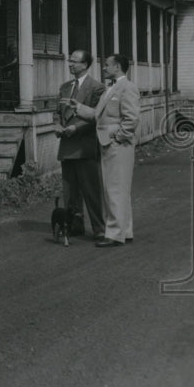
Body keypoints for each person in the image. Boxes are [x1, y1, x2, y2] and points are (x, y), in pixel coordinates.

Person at [65, 53, 140, 247]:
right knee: (118, 189)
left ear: (117, 67)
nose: (104, 68)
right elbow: (97, 115)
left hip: (117, 145)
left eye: (107, 65)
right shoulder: (111, 88)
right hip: (108, 144)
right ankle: (125, 230)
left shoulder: (127, 88)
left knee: (115, 189)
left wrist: (118, 137)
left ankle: (114, 234)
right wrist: (79, 107)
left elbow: (131, 119)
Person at [54, 49, 106, 239]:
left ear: (85, 64)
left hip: (85, 145)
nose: (70, 64)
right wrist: (57, 125)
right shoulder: (64, 87)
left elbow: (97, 116)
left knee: (91, 191)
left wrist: (77, 129)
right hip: (67, 146)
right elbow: (57, 112)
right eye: (70, 60)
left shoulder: (97, 88)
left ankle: (100, 229)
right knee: (70, 191)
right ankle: (74, 225)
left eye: (74, 61)